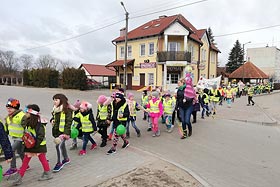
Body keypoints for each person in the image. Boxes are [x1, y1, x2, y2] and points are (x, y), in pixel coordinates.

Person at [11, 104, 53, 186]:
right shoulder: (28, 121)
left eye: (27, 112)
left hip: (38, 146)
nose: (25, 114)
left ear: (31, 113)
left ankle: (47, 173)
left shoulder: (39, 124)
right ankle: (20, 176)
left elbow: (41, 136)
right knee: (26, 160)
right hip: (30, 145)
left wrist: (35, 145)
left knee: (41, 159)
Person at [3, 98, 27, 176]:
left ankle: (13, 168)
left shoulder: (22, 115)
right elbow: (7, 128)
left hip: (21, 138)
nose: (9, 109)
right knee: (20, 152)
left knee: (12, 150)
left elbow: (26, 127)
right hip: (14, 137)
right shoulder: (8, 117)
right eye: (8, 108)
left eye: (11, 108)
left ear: (16, 108)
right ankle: (25, 164)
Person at [51, 94, 72, 172]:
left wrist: (66, 133)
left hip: (63, 133)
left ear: (61, 100)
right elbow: (53, 117)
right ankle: (66, 159)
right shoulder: (55, 109)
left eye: (56, 100)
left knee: (58, 146)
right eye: (54, 100)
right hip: (57, 131)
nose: (54, 101)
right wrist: (51, 120)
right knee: (62, 146)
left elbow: (69, 122)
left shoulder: (67, 110)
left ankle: (59, 163)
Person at [176, 74, 196, 139]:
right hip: (181, 107)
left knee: (187, 121)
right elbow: (178, 99)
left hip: (188, 106)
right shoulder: (179, 90)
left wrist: (187, 99)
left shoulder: (188, 88)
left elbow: (192, 97)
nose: (177, 84)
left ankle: (190, 129)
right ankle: (184, 134)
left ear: (183, 83)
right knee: (183, 121)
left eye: (179, 83)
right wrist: (177, 107)